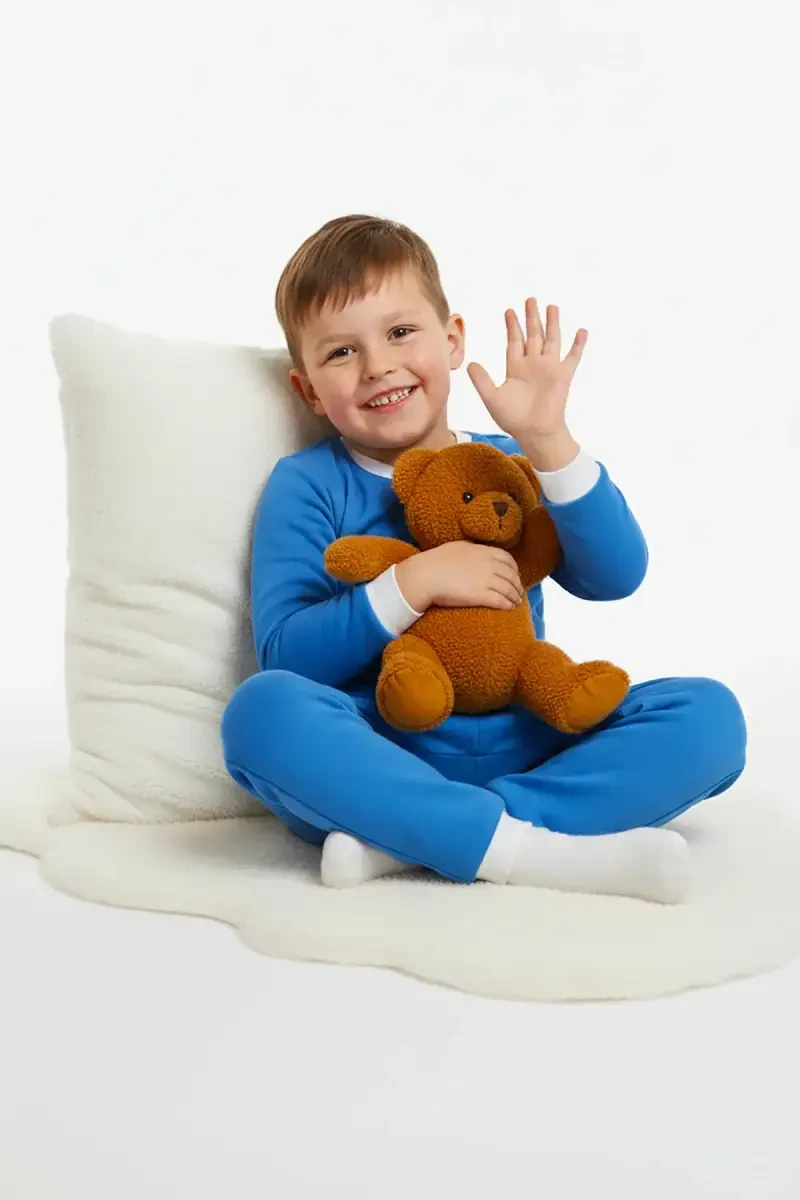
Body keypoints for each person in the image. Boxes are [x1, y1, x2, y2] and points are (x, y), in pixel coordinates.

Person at [221, 214, 747, 902]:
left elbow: (616, 575)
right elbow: (288, 654)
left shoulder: (512, 461)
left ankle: (415, 839)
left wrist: (549, 441)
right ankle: (527, 848)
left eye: (400, 333)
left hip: (530, 737)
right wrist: (413, 583)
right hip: (384, 749)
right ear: (309, 391)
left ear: (452, 340)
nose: (378, 365)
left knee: (709, 717)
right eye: (342, 352)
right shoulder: (308, 483)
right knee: (261, 713)